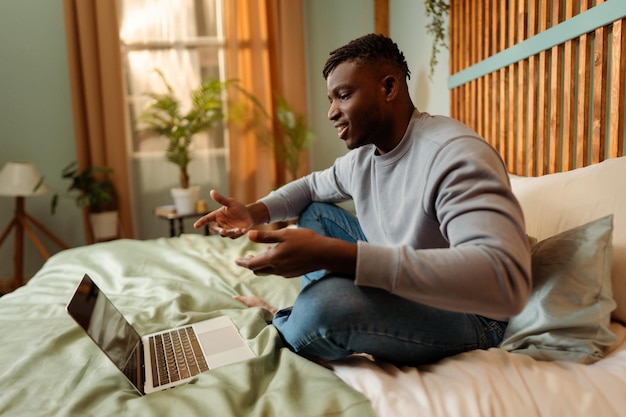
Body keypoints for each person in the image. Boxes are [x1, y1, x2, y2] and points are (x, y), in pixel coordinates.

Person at [194, 33, 531, 366]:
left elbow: (500, 279)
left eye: (343, 95)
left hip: (469, 312)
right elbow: (310, 188)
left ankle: (292, 321)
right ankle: (308, 321)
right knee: (316, 214)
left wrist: (347, 258)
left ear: (388, 88)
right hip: (404, 283)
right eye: (331, 99)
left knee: (327, 306)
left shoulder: (453, 155)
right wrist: (251, 214)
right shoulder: (364, 157)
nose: (331, 113)